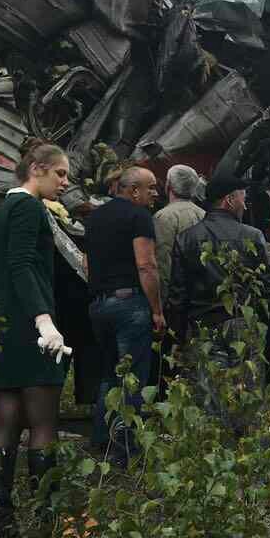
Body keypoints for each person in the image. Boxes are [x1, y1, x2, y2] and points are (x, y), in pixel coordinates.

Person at [0, 141, 71, 538]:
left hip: (1, 328)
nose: (65, 183)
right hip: (29, 326)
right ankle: (48, 524)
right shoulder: (29, 208)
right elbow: (21, 265)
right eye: (61, 174)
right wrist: (44, 320)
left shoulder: (0, 212)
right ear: (36, 169)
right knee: (43, 423)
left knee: (6, 418)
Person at [168, 176, 270, 423]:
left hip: (203, 327)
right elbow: (269, 286)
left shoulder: (187, 238)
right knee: (249, 393)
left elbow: (178, 294)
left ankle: (215, 451)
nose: (246, 204)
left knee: (210, 396)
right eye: (243, 197)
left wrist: (177, 336)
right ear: (229, 200)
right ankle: (249, 451)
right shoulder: (252, 236)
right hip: (244, 323)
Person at [84, 166, 164, 465]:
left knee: (108, 374)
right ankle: (125, 451)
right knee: (132, 378)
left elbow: (87, 263)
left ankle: (102, 440)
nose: (156, 193)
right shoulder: (139, 216)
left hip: (99, 304)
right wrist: (156, 309)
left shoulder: (94, 217)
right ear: (134, 191)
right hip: (129, 303)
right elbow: (146, 265)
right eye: (151, 187)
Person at [154, 164, 204, 295]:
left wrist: (162, 301)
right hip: (202, 292)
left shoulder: (164, 216)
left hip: (177, 294)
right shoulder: (204, 214)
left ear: (168, 185)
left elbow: (163, 262)